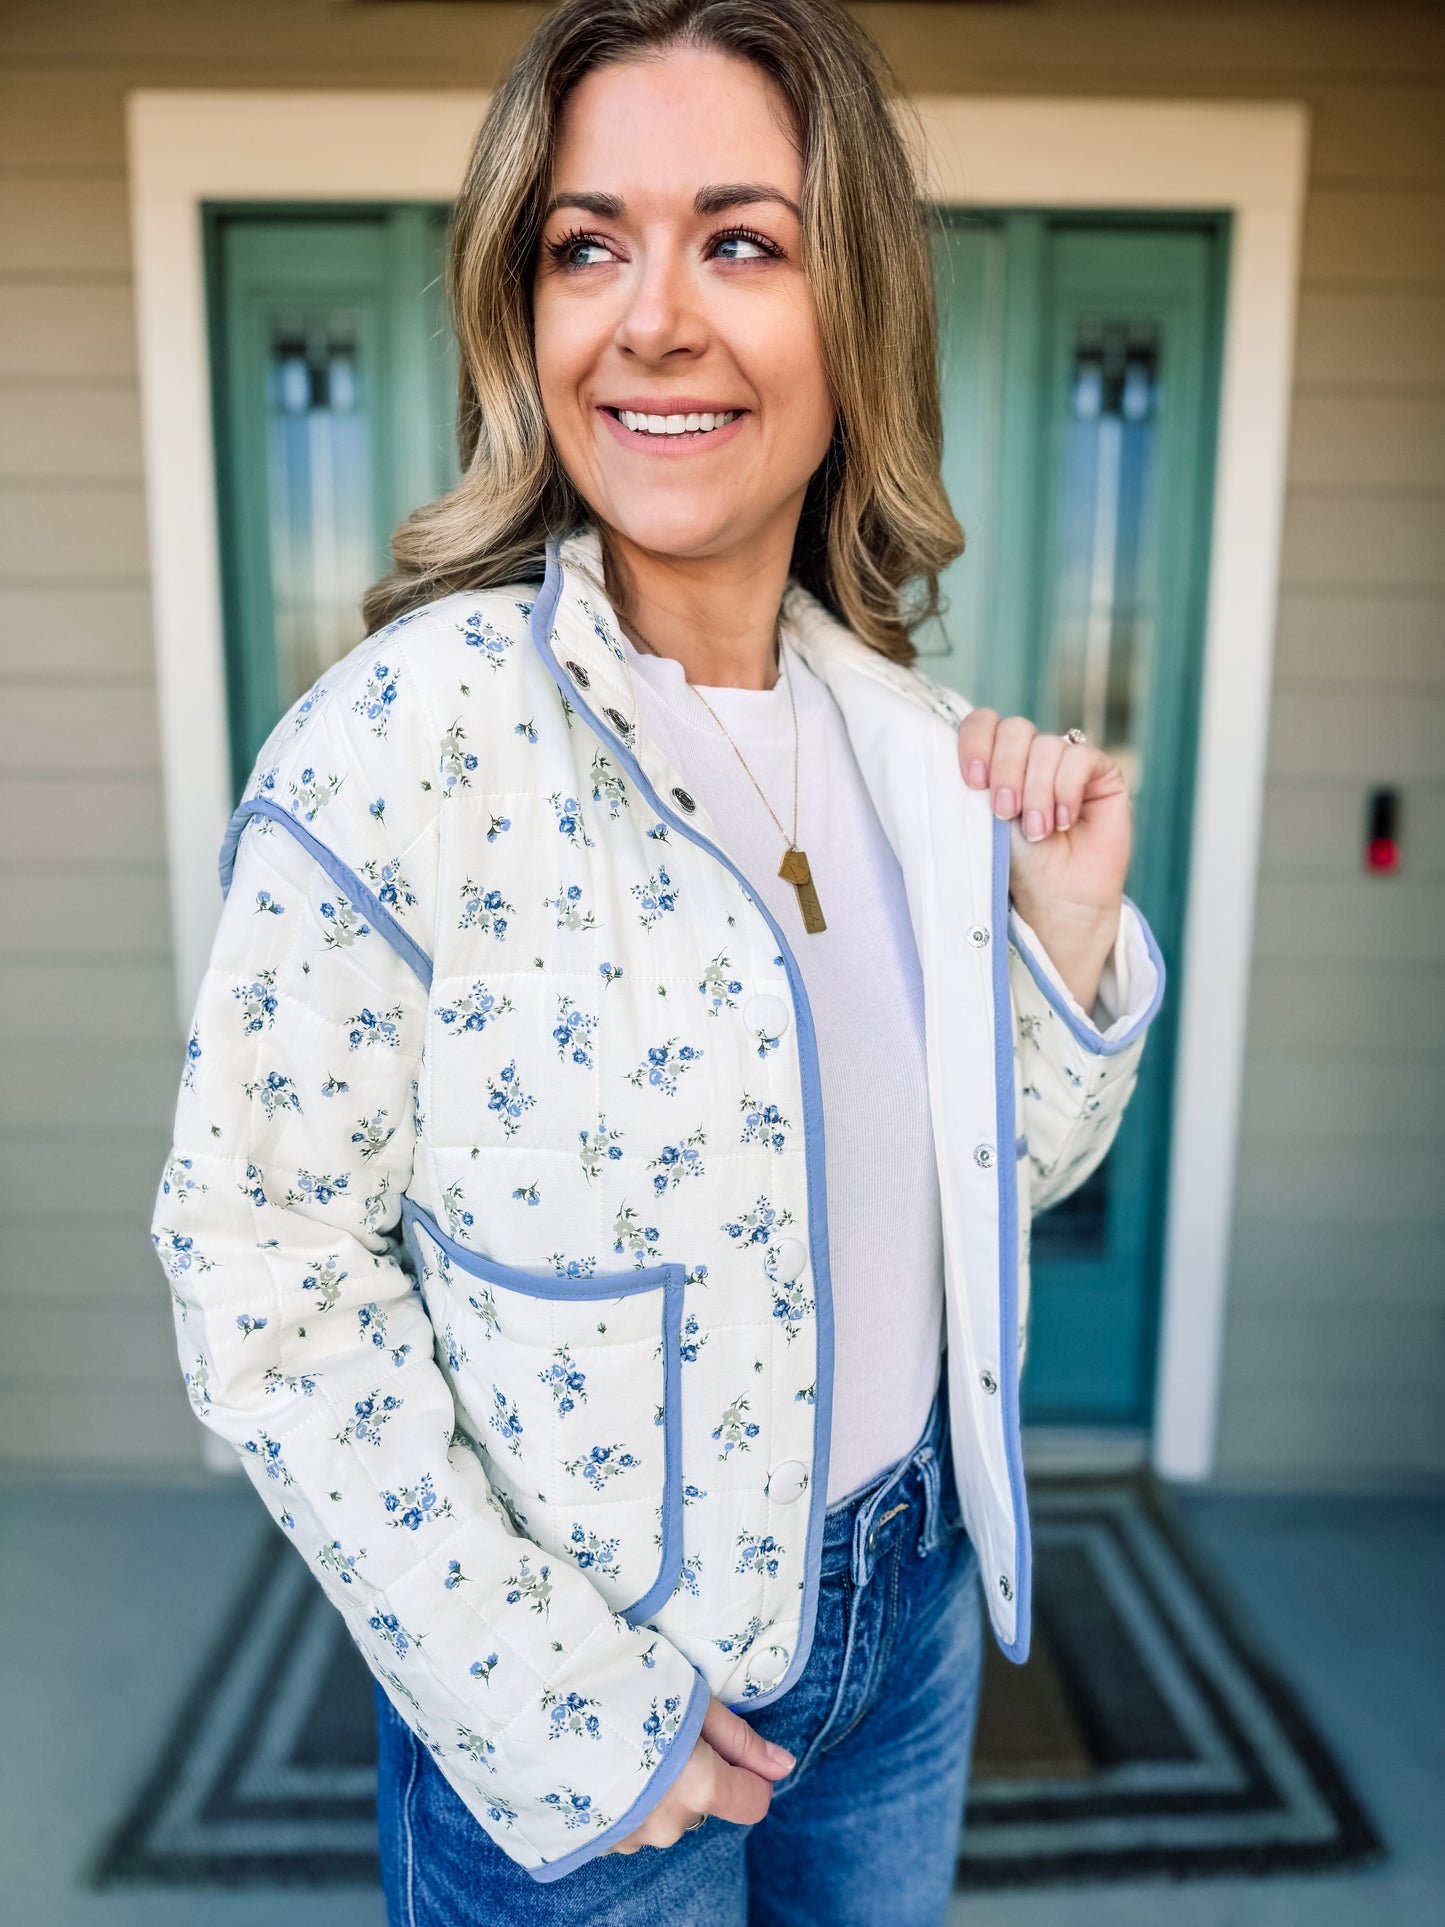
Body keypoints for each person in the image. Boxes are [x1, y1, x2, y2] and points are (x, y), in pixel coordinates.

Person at [152, 1, 1164, 1919]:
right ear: (522, 318)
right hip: (601, 1681)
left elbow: (980, 1194)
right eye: (587, 243)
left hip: (912, 1614)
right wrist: (557, 1708)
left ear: (846, 310)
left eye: (742, 240)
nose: (655, 316)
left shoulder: (912, 753)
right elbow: (258, 1267)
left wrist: (1064, 938)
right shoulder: (403, 744)